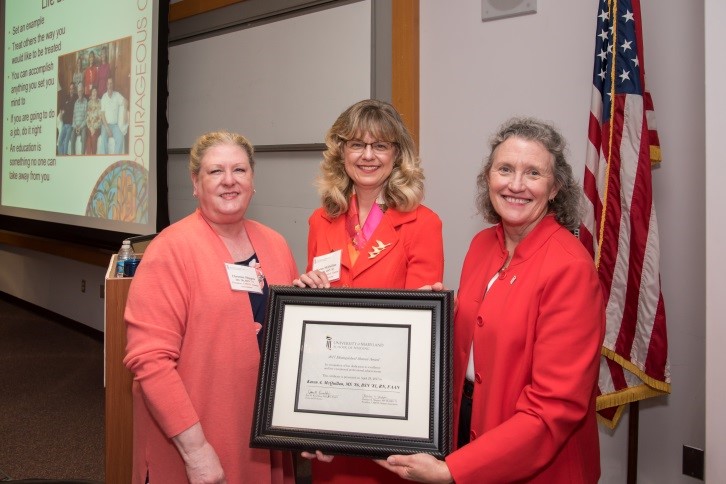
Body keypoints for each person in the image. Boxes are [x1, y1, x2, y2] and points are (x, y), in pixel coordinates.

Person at [379, 118, 606, 483]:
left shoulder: (570, 267)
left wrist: (453, 471)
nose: (516, 185)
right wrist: (430, 320)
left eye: (533, 173)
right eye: (505, 169)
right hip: (468, 425)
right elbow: (481, 339)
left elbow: (554, 409)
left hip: (538, 461)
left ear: (555, 188)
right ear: (489, 178)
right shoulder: (482, 245)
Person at [124, 131, 298, 484]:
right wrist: (196, 451)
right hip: (196, 436)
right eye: (215, 171)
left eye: (240, 170)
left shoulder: (276, 244)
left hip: (260, 431)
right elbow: (150, 361)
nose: (229, 181)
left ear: (252, 179)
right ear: (195, 182)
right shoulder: (170, 250)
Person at [294, 99, 444, 484]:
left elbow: (418, 335)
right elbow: (316, 314)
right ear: (341, 151)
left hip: (387, 409)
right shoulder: (320, 220)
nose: (367, 155)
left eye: (380, 145)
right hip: (331, 403)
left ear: (397, 155)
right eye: (357, 144)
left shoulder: (422, 224)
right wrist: (304, 293)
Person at [99, 77, 126, 154]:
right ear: (106, 85)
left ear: (113, 85)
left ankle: (116, 160)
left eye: (111, 83)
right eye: (108, 84)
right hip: (105, 125)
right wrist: (107, 128)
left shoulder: (117, 95)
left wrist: (125, 112)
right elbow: (102, 114)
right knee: (103, 139)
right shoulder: (104, 97)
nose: (110, 85)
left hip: (115, 125)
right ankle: (105, 160)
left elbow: (126, 102)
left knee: (120, 138)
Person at [56, 81, 75, 155]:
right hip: (64, 124)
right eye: (70, 89)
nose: (71, 90)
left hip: (70, 125)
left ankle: (64, 157)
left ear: (74, 89)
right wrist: (61, 113)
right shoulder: (66, 97)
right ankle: (61, 156)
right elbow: (61, 107)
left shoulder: (76, 97)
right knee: (60, 141)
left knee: (66, 141)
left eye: (73, 88)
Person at [69, 83, 87, 155]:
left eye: (81, 91)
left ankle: (82, 155)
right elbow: (74, 116)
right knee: (72, 137)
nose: (80, 93)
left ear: (83, 91)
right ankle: (73, 156)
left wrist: (80, 127)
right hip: (75, 126)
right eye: (79, 91)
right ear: (78, 92)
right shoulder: (76, 103)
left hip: (83, 126)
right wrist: (75, 126)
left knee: (84, 136)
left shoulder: (86, 101)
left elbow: (86, 117)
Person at [85, 87, 102, 154]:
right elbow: (87, 118)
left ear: (97, 93)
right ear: (91, 94)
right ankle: (90, 159)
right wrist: (90, 127)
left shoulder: (100, 102)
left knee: (93, 137)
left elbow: (100, 118)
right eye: (93, 91)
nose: (94, 93)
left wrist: (94, 128)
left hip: (97, 127)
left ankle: (93, 156)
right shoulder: (89, 103)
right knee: (88, 140)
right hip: (90, 128)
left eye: (95, 91)